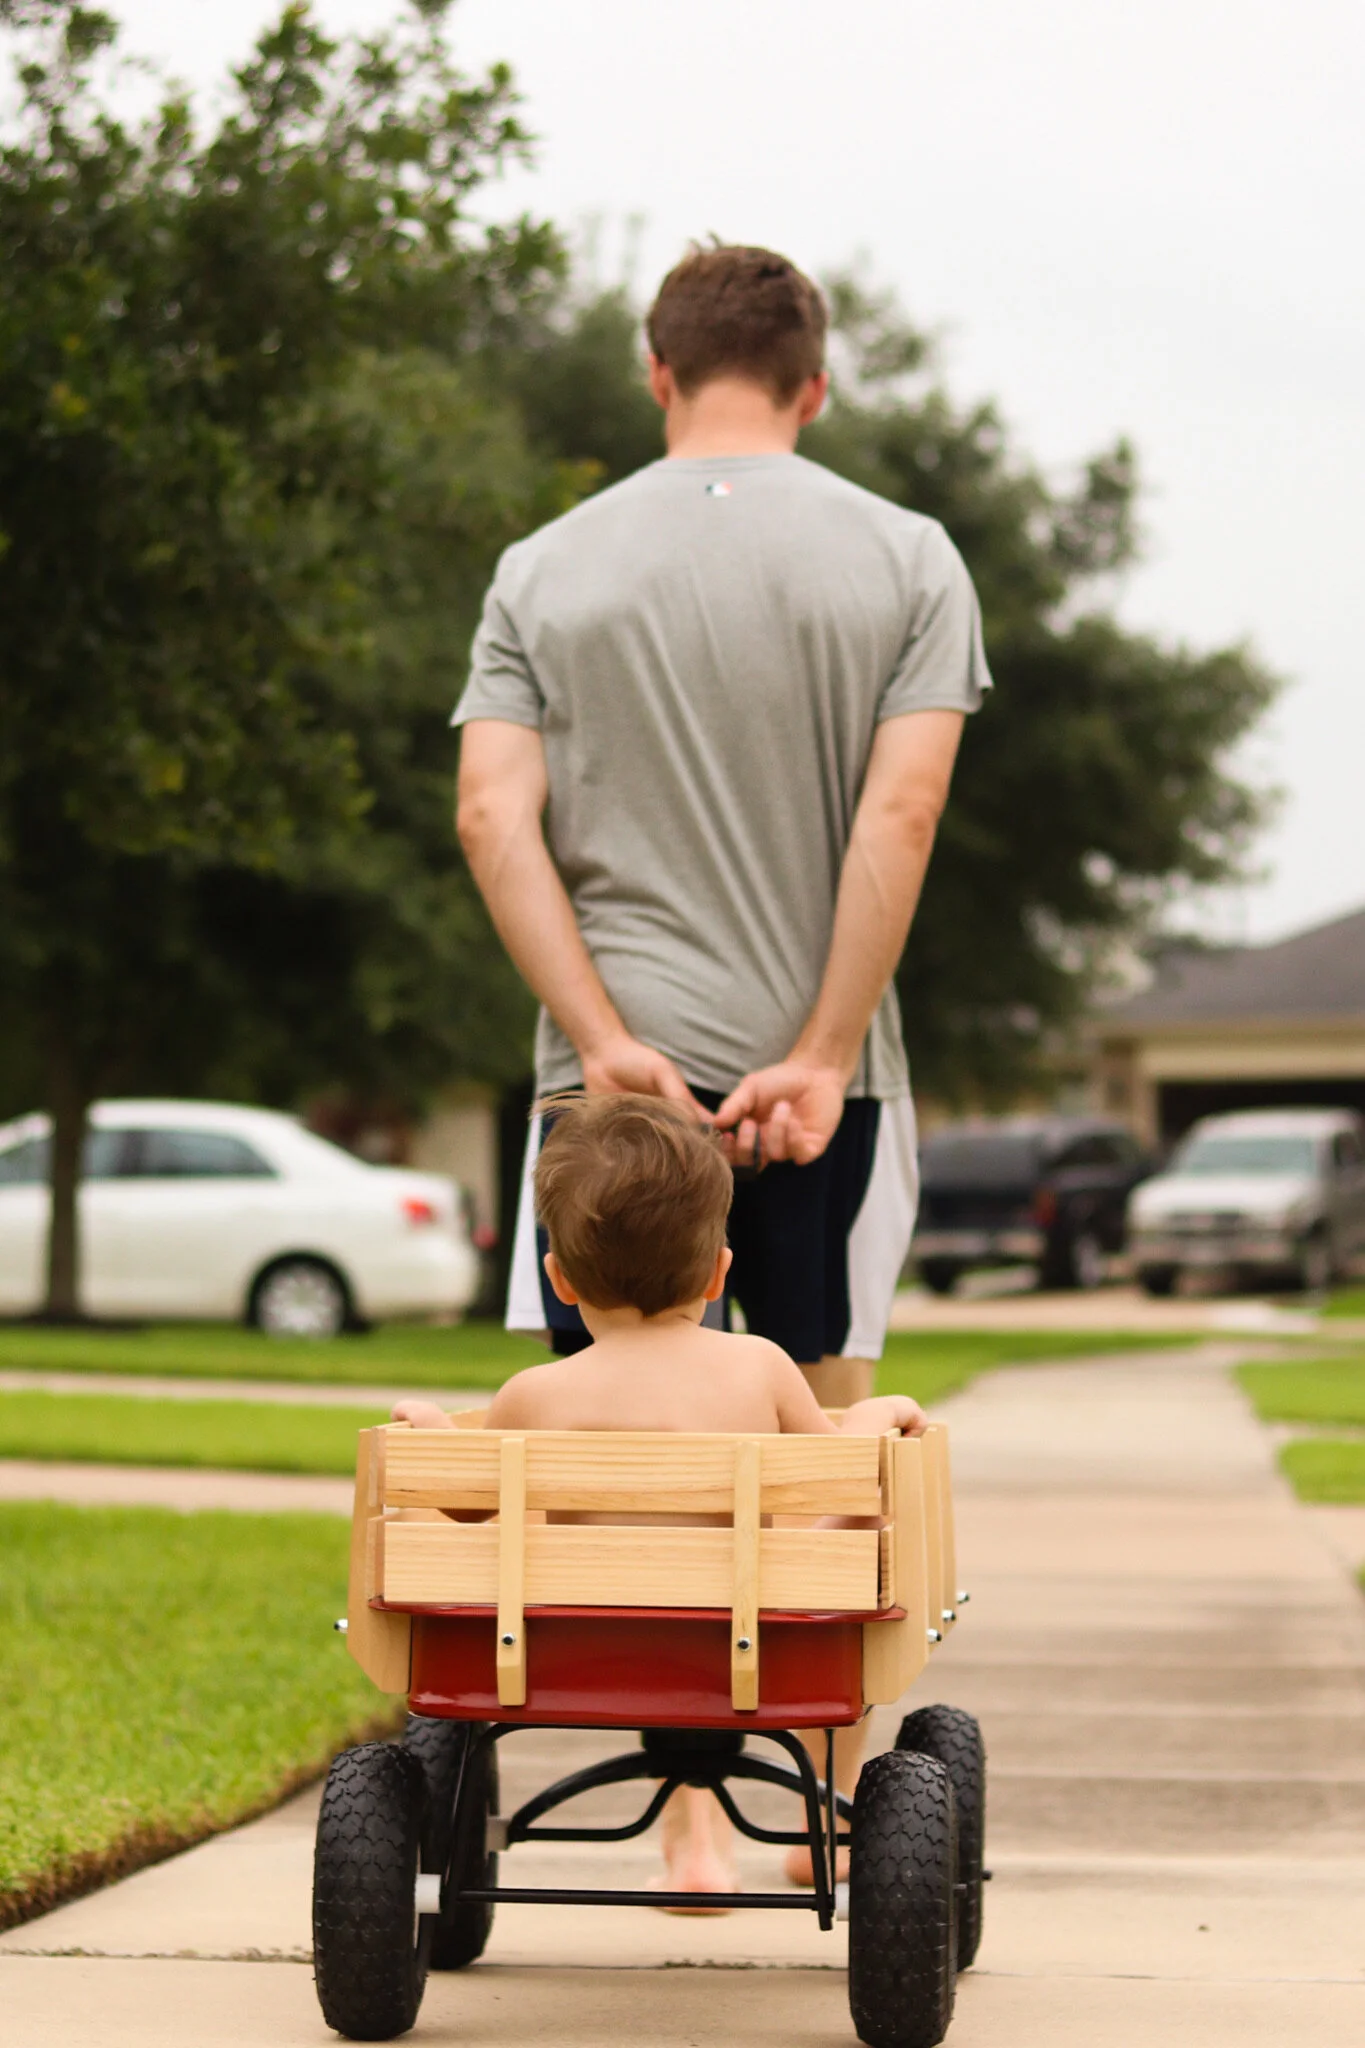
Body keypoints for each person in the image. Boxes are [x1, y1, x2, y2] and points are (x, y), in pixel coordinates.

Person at [450, 240, 990, 1863]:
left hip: (601, 1106)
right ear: (813, 385)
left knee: (606, 1456)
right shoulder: (909, 560)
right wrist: (821, 1052)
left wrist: (607, 1043)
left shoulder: (542, 568)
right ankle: (812, 1792)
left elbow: (492, 812)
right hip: (826, 1085)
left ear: (657, 371)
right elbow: (902, 807)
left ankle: (683, 1808)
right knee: (812, 1454)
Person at [394, 1093, 926, 1903]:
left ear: (559, 1280)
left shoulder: (533, 1394)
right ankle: (827, 1828)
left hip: (571, 1657)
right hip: (751, 1649)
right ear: (718, 1271)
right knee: (859, 1512)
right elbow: (838, 1476)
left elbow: (466, 1506)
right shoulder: (759, 1367)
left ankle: (694, 1854)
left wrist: (433, 1433)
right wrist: (879, 1415)